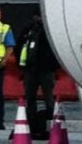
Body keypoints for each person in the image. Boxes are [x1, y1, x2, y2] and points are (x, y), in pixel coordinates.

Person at [18, 7, 59, 139]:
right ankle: (31, 123)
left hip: (45, 70)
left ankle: (50, 123)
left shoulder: (50, 31)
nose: (39, 19)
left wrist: (52, 67)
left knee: (48, 98)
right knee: (30, 98)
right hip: (30, 70)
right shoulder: (28, 30)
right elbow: (20, 47)